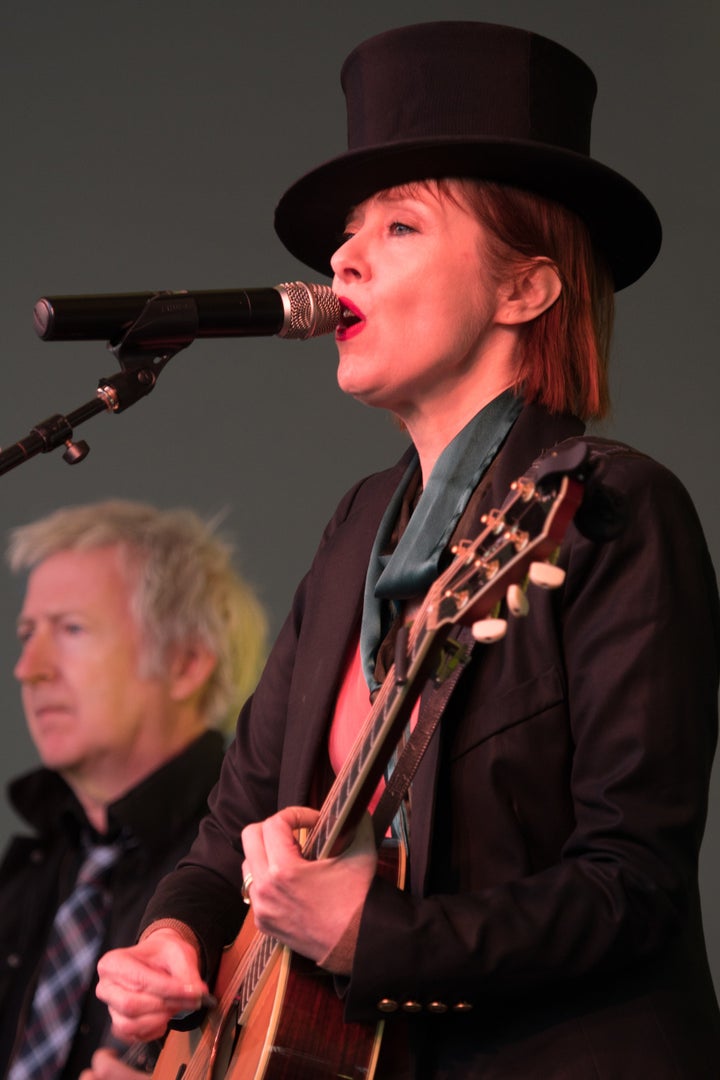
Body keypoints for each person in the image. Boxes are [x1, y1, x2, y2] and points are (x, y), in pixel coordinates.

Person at [95, 21, 720, 1078]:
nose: (343, 259)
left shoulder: (610, 508)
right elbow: (231, 824)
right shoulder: (355, 530)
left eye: (400, 227)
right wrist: (174, 942)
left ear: (526, 289)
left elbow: (633, 884)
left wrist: (378, 938)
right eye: (349, 231)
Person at [0, 500, 267, 1080]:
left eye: (70, 629)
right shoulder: (23, 876)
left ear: (186, 663)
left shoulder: (252, 868)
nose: (29, 668)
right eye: (26, 634)